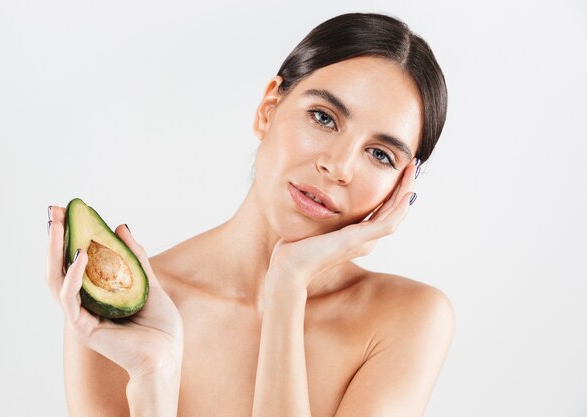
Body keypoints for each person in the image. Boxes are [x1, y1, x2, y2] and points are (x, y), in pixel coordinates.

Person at [45, 11, 454, 417]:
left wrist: (287, 285)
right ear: (268, 109)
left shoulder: (407, 319)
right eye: (324, 118)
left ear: (402, 185)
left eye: (380, 155)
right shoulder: (117, 309)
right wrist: (154, 377)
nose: (339, 167)